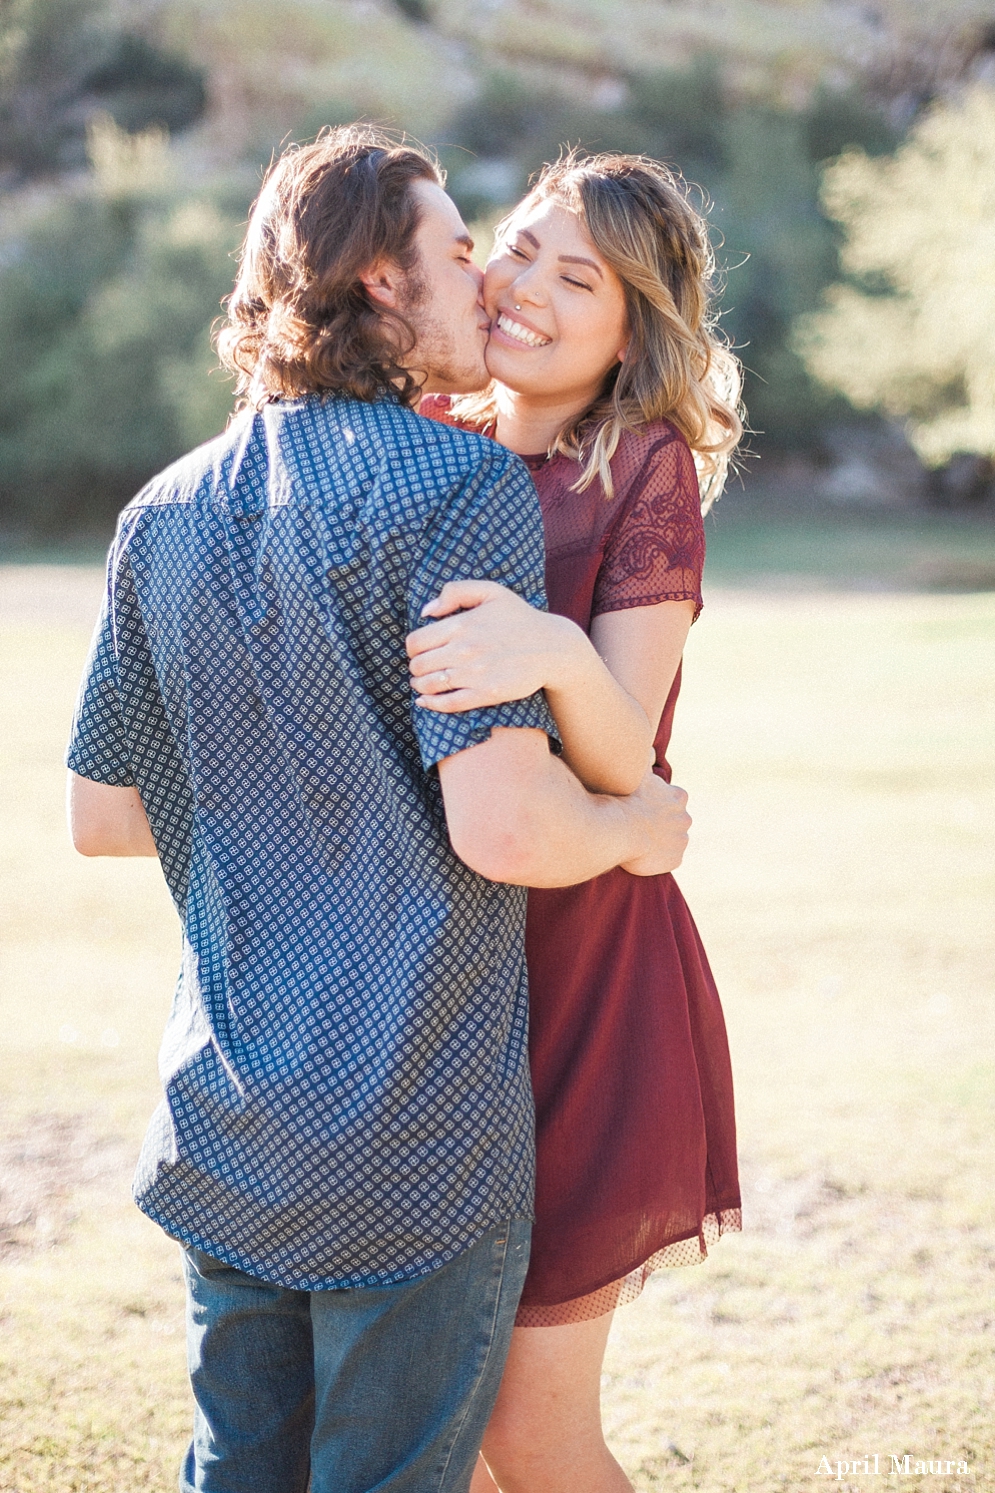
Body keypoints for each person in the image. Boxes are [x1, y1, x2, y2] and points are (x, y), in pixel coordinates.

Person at [64, 129, 693, 1493]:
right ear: (381, 286)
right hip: (409, 1131)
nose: (489, 285)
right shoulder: (457, 485)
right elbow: (510, 829)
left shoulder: (157, 511)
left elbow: (102, 815)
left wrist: (297, 801)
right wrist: (642, 827)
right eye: (465, 253)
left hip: (225, 1115)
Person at [410, 151, 743, 1493]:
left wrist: (549, 648)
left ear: (634, 324)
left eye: (579, 275)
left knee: (527, 1429)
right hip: (432, 970)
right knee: (448, 1421)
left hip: (582, 968)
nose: (528, 287)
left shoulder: (640, 468)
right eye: (522, 247)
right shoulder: (425, 427)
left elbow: (626, 760)